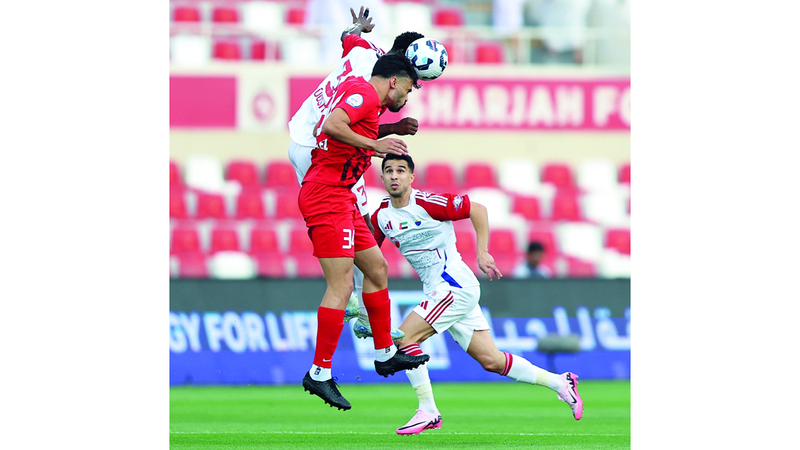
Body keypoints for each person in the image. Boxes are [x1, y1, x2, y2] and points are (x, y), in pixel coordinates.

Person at [370, 154, 584, 434]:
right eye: (388, 171)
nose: (394, 175)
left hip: (454, 285)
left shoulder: (426, 203)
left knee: (405, 337)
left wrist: (482, 253)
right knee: (492, 361)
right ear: (382, 177)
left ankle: (428, 410)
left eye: (400, 170)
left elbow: (477, 208)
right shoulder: (381, 216)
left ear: (411, 177)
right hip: (440, 290)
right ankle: (560, 382)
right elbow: (367, 258)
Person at [299, 53, 429, 411]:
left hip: (341, 197)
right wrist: (377, 145)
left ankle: (385, 351)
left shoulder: (367, 104)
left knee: (376, 268)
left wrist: (391, 130)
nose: (407, 95)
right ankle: (319, 373)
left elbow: (342, 129)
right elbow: (329, 125)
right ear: (394, 81)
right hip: (326, 195)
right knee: (341, 285)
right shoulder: (366, 94)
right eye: (408, 87)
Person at [288, 6, 426, 342]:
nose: (412, 88)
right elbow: (341, 124)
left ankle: (357, 304)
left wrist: (356, 27)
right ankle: (357, 307)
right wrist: (382, 141)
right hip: (320, 146)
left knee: (355, 222)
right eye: (413, 82)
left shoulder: (366, 51)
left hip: (300, 136)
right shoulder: (372, 82)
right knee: (353, 220)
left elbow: (348, 38)